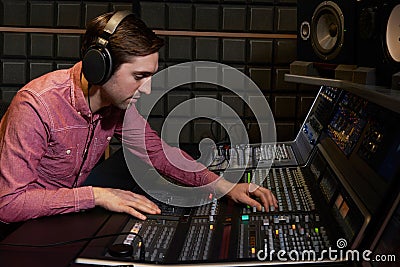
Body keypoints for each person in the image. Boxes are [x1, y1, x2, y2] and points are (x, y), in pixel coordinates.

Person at [0, 11, 277, 223]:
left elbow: (157, 153)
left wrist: (225, 186)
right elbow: (8, 204)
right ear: (100, 68)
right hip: (19, 229)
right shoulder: (35, 107)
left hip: (61, 215)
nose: (148, 89)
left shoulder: (117, 104)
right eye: (139, 76)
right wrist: (97, 195)